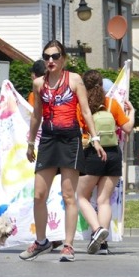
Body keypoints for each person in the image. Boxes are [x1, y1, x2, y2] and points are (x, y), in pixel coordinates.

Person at [20, 40, 106, 263]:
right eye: (46, 57)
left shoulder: (75, 79)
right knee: (39, 195)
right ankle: (41, 241)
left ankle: (68, 246)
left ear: (63, 58)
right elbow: (36, 115)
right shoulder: (39, 84)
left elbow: (86, 112)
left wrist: (95, 139)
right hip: (48, 140)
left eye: (55, 56)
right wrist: (30, 143)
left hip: (70, 140)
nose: (50, 60)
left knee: (69, 195)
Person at [76, 70, 134, 256]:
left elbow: (77, 131)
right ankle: (102, 245)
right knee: (103, 201)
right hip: (114, 155)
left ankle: (96, 230)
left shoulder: (81, 106)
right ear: (101, 85)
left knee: (81, 196)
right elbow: (127, 128)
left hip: (93, 153)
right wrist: (131, 112)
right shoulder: (111, 104)